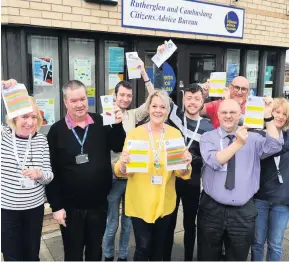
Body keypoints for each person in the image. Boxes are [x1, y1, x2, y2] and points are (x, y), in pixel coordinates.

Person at [46, 80, 126, 261]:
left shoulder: (101, 121)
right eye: (74, 101)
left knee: (94, 252)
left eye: (83, 99)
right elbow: (51, 171)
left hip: (98, 205)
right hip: (70, 208)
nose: (80, 104)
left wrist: (118, 124)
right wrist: (56, 206)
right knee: (73, 254)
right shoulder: (56, 131)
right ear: (65, 102)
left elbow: (118, 145)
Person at [198, 98, 283, 261]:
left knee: (238, 256)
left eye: (233, 112)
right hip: (212, 209)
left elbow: (274, 145)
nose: (228, 116)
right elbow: (216, 161)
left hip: (242, 211)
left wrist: (269, 116)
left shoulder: (254, 138)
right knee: (207, 255)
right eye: (224, 112)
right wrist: (238, 143)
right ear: (218, 114)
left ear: (240, 115)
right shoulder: (208, 137)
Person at [114, 90, 193, 261]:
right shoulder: (135, 134)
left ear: (168, 110)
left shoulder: (174, 134)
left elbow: (181, 173)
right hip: (139, 202)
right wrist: (123, 164)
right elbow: (123, 172)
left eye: (162, 107)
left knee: (159, 248)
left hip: (165, 202)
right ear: (148, 108)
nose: (158, 110)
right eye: (154, 106)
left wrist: (186, 164)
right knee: (143, 247)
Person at [104, 60, 154, 262]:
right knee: (112, 222)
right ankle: (108, 255)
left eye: (128, 95)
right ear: (115, 96)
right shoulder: (105, 116)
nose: (125, 98)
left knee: (128, 222)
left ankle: (123, 255)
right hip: (114, 177)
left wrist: (144, 73)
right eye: (121, 95)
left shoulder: (133, 115)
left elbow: (153, 98)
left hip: (132, 176)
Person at [1, 79, 54, 261]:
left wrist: (40, 175)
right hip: (7, 210)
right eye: (25, 116)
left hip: (33, 210)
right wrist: (2, 87)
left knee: (32, 255)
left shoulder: (41, 140)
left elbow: (49, 175)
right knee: (11, 256)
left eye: (34, 117)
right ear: (14, 117)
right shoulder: (3, 136)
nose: (30, 122)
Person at [163, 83, 214, 261]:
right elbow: (156, 93)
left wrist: (192, 158)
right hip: (171, 179)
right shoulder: (174, 116)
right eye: (189, 98)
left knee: (190, 224)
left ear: (203, 101)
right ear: (184, 99)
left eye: (197, 99)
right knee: (168, 222)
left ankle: (188, 259)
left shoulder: (208, 127)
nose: (192, 102)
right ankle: (165, 258)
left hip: (193, 181)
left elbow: (209, 158)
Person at [251, 98, 289, 261]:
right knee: (257, 242)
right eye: (276, 112)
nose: (280, 116)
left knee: (275, 244)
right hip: (261, 197)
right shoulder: (259, 135)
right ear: (270, 113)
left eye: (284, 113)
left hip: (282, 200)